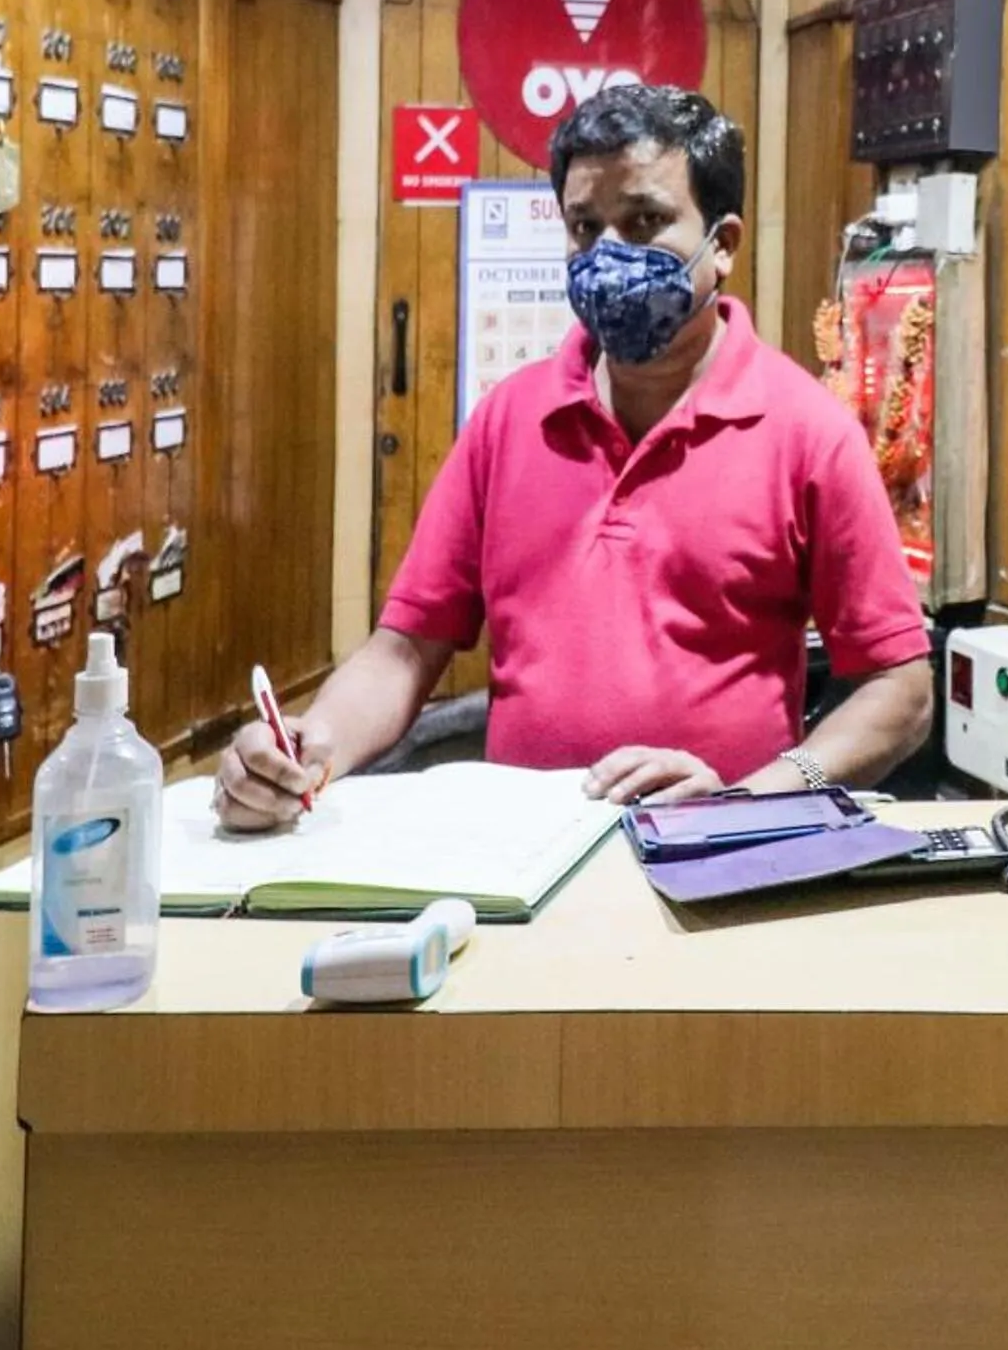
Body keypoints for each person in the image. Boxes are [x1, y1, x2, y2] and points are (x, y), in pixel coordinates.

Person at [215, 85, 934, 829]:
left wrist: (758, 796)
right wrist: (309, 747)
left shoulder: (808, 431)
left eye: (646, 221)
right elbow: (406, 650)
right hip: (522, 863)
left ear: (722, 244)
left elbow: (901, 688)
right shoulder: (508, 420)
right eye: (585, 227)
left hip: (722, 860)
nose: (609, 254)